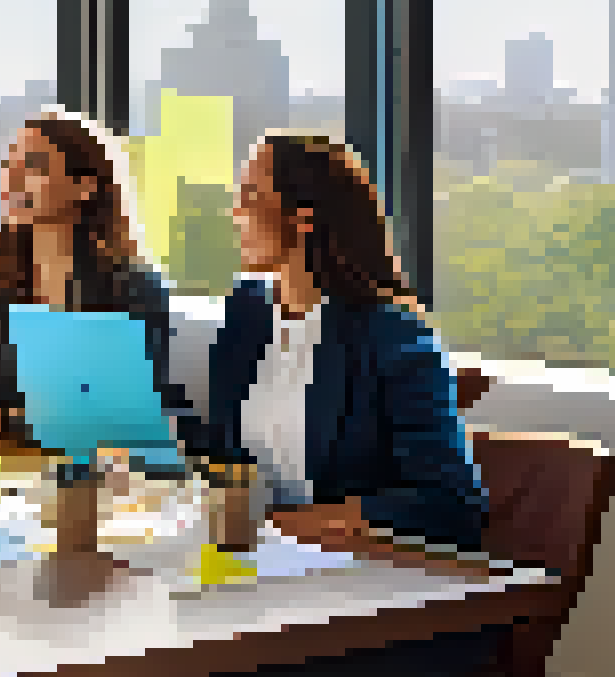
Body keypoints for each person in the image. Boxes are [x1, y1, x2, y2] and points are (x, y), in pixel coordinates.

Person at [202, 133, 487, 552]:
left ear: (303, 217)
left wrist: (283, 525)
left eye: (250, 195)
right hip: (252, 557)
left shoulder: (395, 340)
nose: (234, 212)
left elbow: (451, 506)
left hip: (351, 569)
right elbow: (227, 454)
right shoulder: (247, 313)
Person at [0, 112, 204, 456]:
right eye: (9, 164)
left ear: (84, 187)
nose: (12, 179)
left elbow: (114, 418)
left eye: (33, 166)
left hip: (93, 485)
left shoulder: (131, 288)